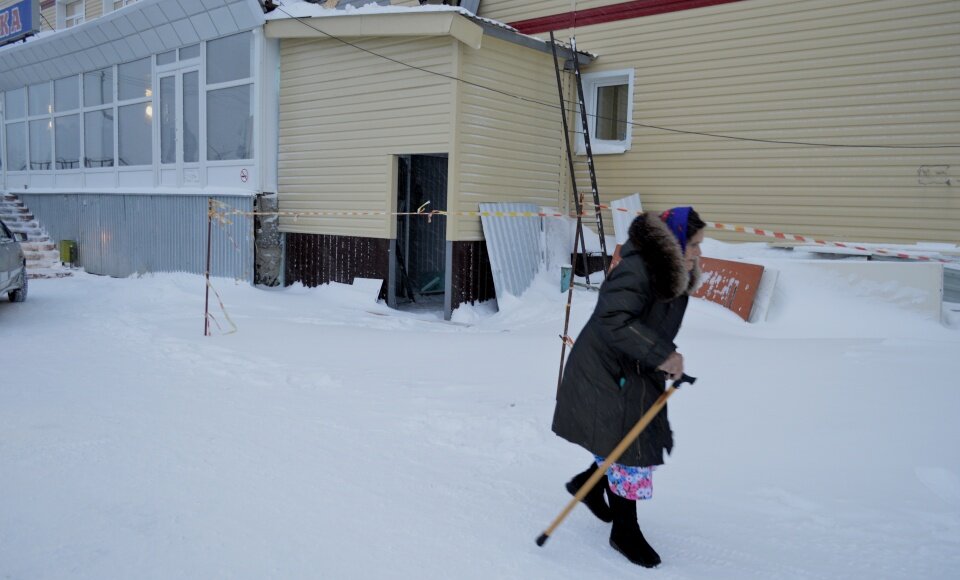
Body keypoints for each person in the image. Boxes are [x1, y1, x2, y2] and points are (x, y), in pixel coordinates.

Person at [551, 206, 705, 568]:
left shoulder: (669, 270)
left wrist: (661, 356)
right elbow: (613, 318)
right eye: (694, 244)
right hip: (606, 368)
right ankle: (624, 531)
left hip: (631, 365)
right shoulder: (639, 268)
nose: (699, 252)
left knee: (624, 439)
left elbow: (648, 322)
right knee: (630, 448)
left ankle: (587, 485)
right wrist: (660, 353)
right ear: (676, 242)